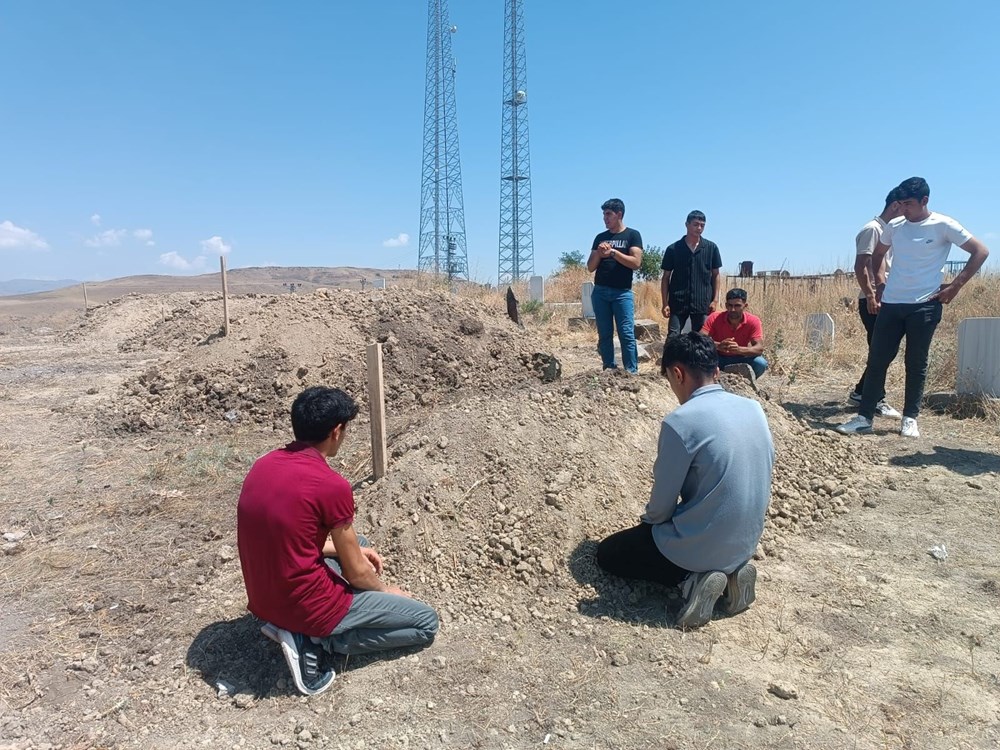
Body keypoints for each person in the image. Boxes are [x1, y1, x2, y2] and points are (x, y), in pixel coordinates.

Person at [237, 386, 439, 695]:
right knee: (425, 623)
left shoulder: (264, 464)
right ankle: (320, 639)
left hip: (265, 597)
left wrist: (356, 551)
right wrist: (389, 592)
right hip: (306, 606)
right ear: (336, 431)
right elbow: (358, 572)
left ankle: (299, 625)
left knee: (360, 542)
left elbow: (292, 538)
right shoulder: (331, 485)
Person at [596, 332, 774, 629]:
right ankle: (733, 572)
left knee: (608, 554)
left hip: (700, 546)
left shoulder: (681, 421)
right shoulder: (753, 409)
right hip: (746, 542)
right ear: (716, 370)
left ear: (677, 373)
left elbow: (661, 507)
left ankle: (692, 580)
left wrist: (650, 524)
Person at [837, 177, 990, 437]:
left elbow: (980, 251)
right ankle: (864, 417)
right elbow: (877, 255)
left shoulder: (943, 225)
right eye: (900, 204)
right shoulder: (895, 226)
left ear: (924, 201)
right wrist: (881, 284)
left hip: (925, 305)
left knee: (916, 362)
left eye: (908, 204)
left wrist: (955, 286)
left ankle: (910, 418)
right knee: (878, 359)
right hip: (892, 305)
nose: (903, 209)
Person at [848, 188, 904, 418]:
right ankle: (875, 398)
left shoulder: (888, 231)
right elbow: (861, 265)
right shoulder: (873, 230)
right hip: (874, 300)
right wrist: (871, 295)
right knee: (882, 350)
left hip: (886, 297)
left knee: (884, 350)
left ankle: (862, 392)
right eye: (905, 207)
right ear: (895, 206)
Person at [587, 198, 644, 373]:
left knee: (626, 333)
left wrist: (613, 253)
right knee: (604, 334)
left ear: (619, 214)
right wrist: (600, 253)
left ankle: (631, 371)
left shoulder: (632, 235)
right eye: (604, 214)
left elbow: (635, 262)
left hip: (622, 293)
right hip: (601, 292)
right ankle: (609, 368)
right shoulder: (600, 237)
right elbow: (590, 267)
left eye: (608, 214)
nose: (605, 218)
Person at [661, 210, 722, 339]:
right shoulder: (673, 249)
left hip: (702, 302)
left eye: (702, 225)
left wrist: (715, 300)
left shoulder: (711, 248)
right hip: (678, 302)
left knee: (702, 339)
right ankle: (669, 360)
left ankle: (698, 360)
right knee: (673, 337)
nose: (699, 228)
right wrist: (665, 303)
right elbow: (666, 277)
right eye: (695, 224)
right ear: (686, 225)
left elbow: (716, 275)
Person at [701, 288, 768, 381]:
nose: (732, 309)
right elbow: (699, 339)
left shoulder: (753, 321)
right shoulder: (715, 318)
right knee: (699, 358)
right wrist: (718, 346)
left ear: (745, 306)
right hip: (718, 358)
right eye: (730, 305)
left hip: (741, 358)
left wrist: (738, 350)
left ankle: (745, 383)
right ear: (726, 305)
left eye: (737, 306)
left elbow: (759, 348)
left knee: (760, 363)